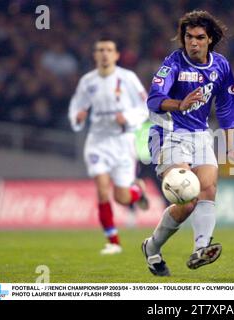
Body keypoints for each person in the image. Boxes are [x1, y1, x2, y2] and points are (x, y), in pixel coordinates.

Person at [142, 10, 234, 276]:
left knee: (208, 189)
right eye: (188, 37)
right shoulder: (173, 63)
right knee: (187, 198)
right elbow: (154, 98)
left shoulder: (221, 66)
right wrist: (179, 104)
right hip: (169, 133)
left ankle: (201, 249)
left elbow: (227, 105)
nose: (193, 42)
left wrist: (230, 144)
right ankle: (153, 246)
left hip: (201, 134)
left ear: (209, 39)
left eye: (199, 37)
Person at [68, 38, 150, 255]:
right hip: (97, 142)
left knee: (121, 198)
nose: (104, 53)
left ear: (116, 55)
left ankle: (137, 191)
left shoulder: (127, 78)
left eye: (109, 50)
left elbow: (146, 107)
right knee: (102, 190)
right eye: (100, 50)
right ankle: (113, 241)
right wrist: (78, 117)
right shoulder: (87, 81)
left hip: (122, 142)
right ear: (95, 55)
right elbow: (77, 106)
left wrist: (129, 118)